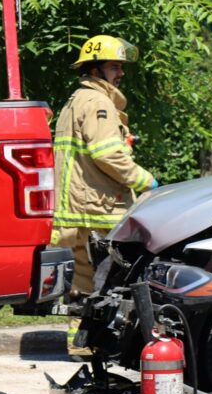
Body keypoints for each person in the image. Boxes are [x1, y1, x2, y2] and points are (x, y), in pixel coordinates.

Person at [52, 35, 157, 353]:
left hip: (76, 207)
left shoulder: (75, 100)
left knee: (83, 283)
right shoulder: (98, 103)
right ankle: (99, 345)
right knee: (108, 281)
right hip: (98, 207)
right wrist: (145, 180)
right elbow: (106, 153)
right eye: (114, 66)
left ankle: (82, 345)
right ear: (95, 70)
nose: (120, 73)